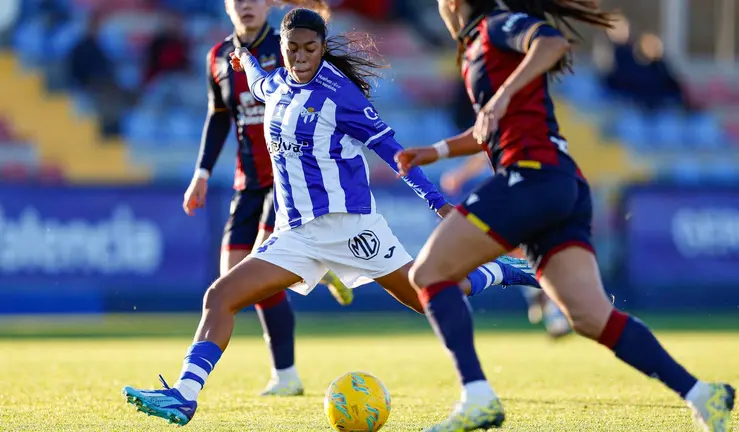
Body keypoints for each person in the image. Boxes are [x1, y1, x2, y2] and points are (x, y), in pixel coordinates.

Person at [122, 5, 540, 426]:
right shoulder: (276, 83)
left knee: (425, 297)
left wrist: (438, 204)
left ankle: (502, 272)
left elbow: (394, 155)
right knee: (219, 297)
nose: (300, 57)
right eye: (292, 49)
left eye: (310, 48)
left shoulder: (341, 95)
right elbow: (259, 82)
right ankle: (183, 396)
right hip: (295, 235)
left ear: (322, 47)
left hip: (349, 227)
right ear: (280, 49)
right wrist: (243, 59)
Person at [395, 1, 736, 431]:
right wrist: (437, 151)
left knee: (428, 273)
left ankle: (477, 396)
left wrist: (499, 98)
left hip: (534, 176)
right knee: (591, 317)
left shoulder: (496, 26)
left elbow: (551, 41)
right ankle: (703, 394)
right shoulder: (476, 50)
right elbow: (493, 126)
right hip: (560, 184)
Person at [182, 0, 354, 398]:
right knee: (233, 280)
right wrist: (201, 173)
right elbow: (219, 114)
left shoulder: (286, 48)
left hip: (287, 181)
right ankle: (321, 272)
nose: (246, 6)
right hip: (247, 184)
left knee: (260, 270)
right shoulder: (218, 57)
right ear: (226, 7)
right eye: (237, 0)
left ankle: (286, 373)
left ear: (267, 5)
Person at [440, 153, 571, 338]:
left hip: (532, 202)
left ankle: (541, 299)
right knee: (529, 254)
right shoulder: (510, 139)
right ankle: (545, 304)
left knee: (536, 255)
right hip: (514, 205)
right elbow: (484, 151)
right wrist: (459, 174)